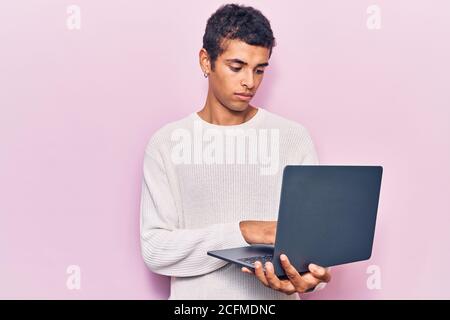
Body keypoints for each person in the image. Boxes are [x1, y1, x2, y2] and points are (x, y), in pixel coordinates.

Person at [140, 3, 331, 300]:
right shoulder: (167, 143)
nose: (250, 82)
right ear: (206, 61)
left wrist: (313, 279)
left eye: (259, 70)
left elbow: (314, 245)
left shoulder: (293, 138)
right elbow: (155, 249)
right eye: (236, 67)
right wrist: (245, 231)